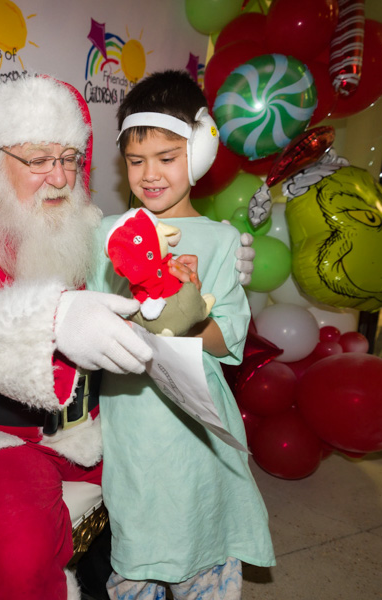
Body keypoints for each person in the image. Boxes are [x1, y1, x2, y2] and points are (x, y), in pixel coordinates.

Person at [0, 75, 253, 600]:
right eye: (39, 160)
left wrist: (222, 259)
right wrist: (51, 319)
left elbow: (153, 265)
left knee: (193, 467)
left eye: (70, 158)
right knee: (18, 558)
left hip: (96, 417)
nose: (59, 177)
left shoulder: (88, 225)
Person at [85, 70, 275, 600]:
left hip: (199, 430)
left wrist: (189, 315)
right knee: (139, 548)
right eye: (136, 160)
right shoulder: (106, 235)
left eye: (167, 158)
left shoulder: (220, 241)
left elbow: (227, 340)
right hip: (134, 428)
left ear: (199, 155)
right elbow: (92, 319)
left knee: (204, 535)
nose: (150, 175)